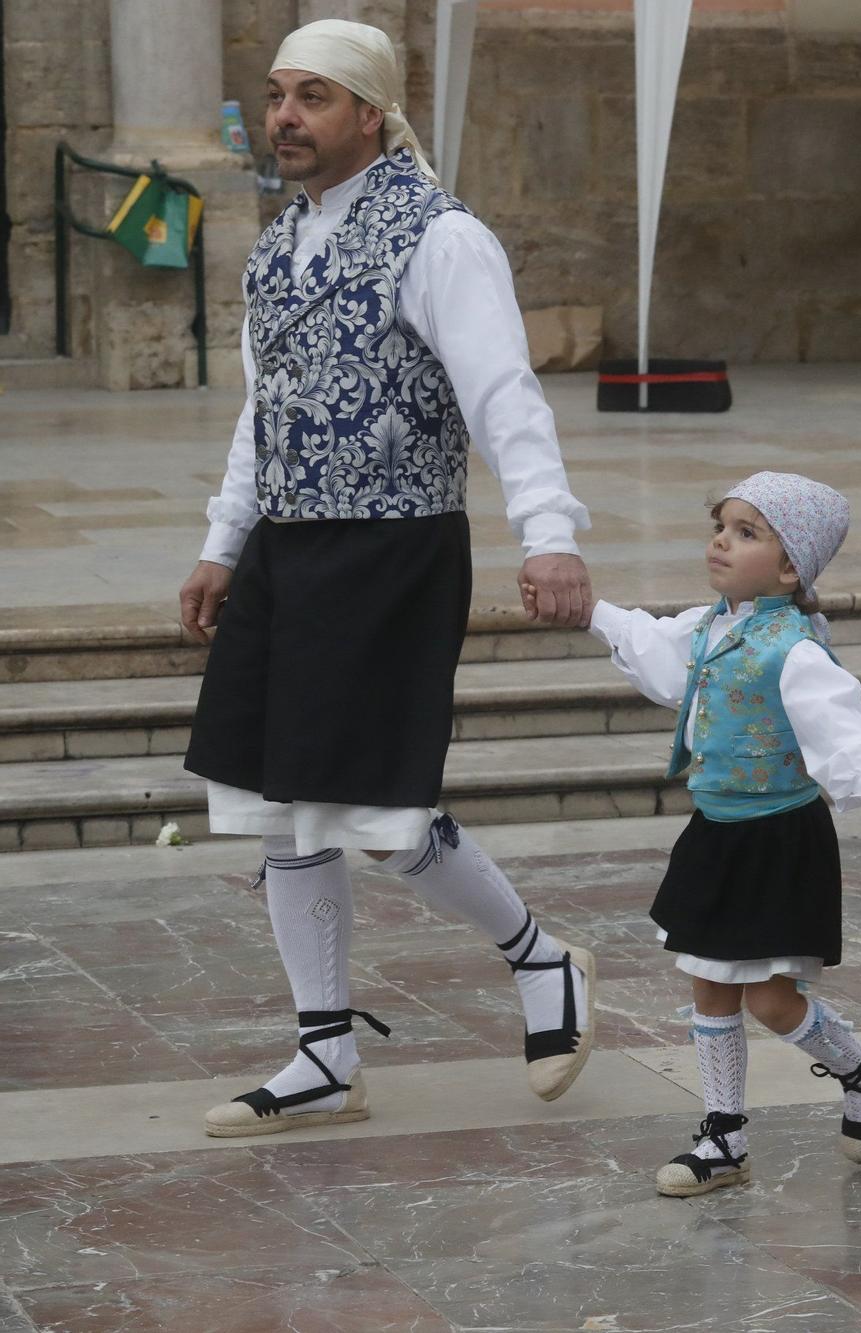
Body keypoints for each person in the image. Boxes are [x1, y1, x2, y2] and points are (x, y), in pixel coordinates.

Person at [179, 20, 599, 1138]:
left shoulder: (443, 238)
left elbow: (503, 394)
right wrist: (226, 539)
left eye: (312, 97)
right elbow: (261, 410)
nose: (284, 118)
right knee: (285, 804)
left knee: (383, 811)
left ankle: (540, 956)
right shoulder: (278, 245)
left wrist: (547, 530)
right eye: (276, 95)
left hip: (392, 548)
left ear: (370, 112)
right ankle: (323, 1052)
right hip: (288, 548)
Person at [581, 474, 861, 1196]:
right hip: (717, 829)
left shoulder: (792, 649)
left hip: (777, 838)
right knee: (708, 984)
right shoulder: (712, 625)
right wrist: (593, 611)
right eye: (721, 525)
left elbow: (838, 728)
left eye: (747, 531)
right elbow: (662, 656)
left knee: (769, 998)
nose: (722, 540)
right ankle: (723, 1135)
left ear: (791, 567)